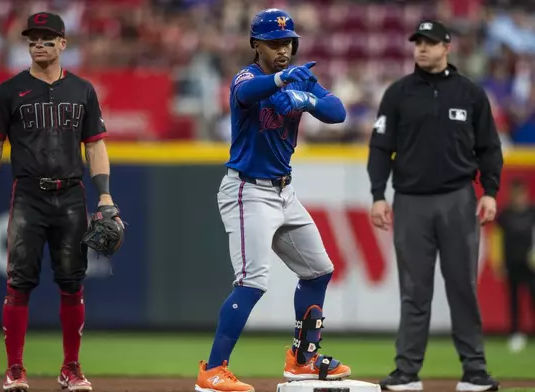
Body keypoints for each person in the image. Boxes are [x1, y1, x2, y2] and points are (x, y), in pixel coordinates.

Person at [195, 8, 350, 392]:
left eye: (287, 42)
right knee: (252, 281)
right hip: (248, 189)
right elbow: (245, 92)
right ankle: (213, 370)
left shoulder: (299, 78)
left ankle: (303, 360)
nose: (283, 49)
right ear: (256, 45)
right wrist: (283, 80)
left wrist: (305, 97)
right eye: (274, 42)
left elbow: (339, 111)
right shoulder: (249, 75)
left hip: (283, 190)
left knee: (318, 270)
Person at [0, 12, 121, 392]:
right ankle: (15, 369)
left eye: (47, 38)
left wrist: (104, 193)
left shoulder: (83, 90)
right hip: (28, 194)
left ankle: (70, 368)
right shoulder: (9, 90)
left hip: (72, 195)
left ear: (63, 43)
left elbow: (96, 145)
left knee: (72, 284)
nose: (39, 45)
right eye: (33, 40)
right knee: (19, 283)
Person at [367, 20, 503, 392]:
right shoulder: (397, 94)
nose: (422, 48)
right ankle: (406, 372)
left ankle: (474, 371)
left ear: (447, 46)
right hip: (410, 201)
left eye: (430, 42)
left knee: (462, 286)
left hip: (458, 198)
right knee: (414, 291)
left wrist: (490, 191)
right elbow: (380, 148)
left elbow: (489, 148)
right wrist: (378, 194)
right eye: (418, 42)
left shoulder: (470, 94)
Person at [496, 178, 535, 353]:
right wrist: (498, 261)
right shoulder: (505, 215)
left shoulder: (532, 212)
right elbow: (496, 239)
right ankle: (516, 333)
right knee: (514, 299)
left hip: (531, 264)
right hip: (512, 262)